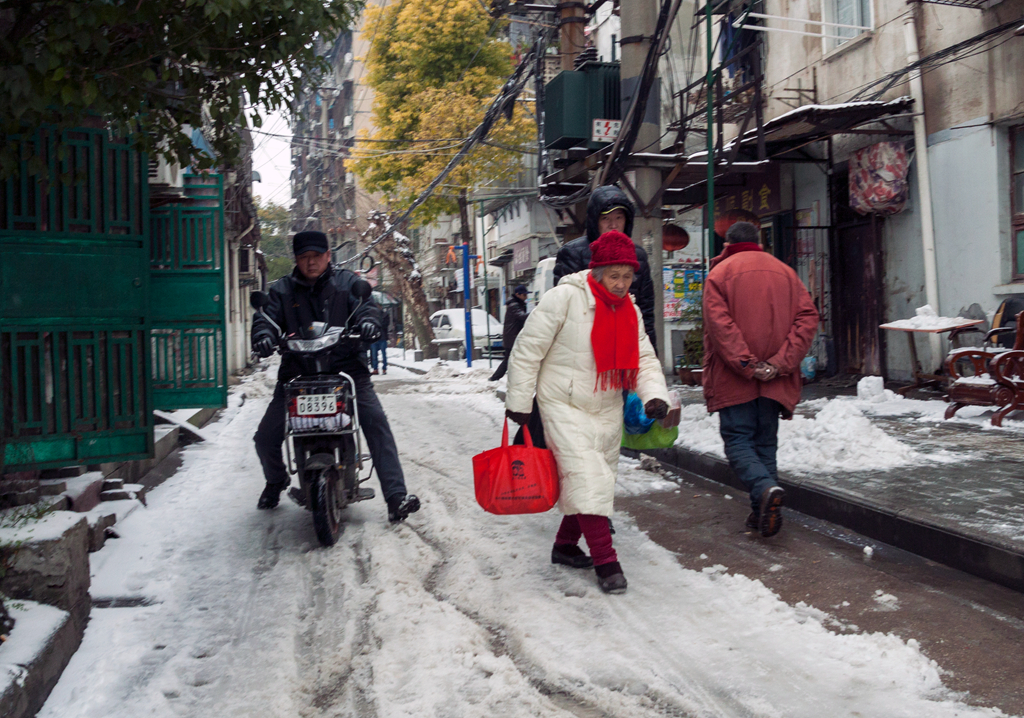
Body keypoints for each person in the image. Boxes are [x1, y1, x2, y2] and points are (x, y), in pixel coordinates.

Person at [505, 230, 670, 594]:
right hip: (562, 403)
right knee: (587, 476)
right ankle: (607, 562)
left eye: (628, 277)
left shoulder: (632, 312)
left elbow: (644, 359)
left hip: (605, 405)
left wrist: (654, 396)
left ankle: (565, 547)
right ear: (597, 271)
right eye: (615, 275)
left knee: (595, 481)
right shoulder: (563, 298)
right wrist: (519, 402)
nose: (621, 284)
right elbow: (527, 350)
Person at [251, 230, 420, 523]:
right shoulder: (282, 291)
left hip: (347, 372)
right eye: (304, 257)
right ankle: (276, 480)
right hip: (297, 376)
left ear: (328, 256)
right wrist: (264, 336)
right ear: (296, 260)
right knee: (265, 438)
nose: (311, 262)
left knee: (376, 424)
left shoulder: (348, 284)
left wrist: (368, 323)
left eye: (316, 256)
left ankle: (396, 497)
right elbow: (265, 318)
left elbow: (368, 309)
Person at [702, 221, 818, 538]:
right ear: (760, 242)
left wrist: (747, 364)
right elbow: (808, 318)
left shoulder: (719, 275)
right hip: (774, 380)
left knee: (739, 441)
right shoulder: (786, 273)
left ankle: (765, 489)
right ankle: (762, 512)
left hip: (734, 377)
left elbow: (720, 326)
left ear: (727, 244)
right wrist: (780, 363)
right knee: (765, 444)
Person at [553, 185, 657, 350]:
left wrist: (652, 357)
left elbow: (646, 313)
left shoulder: (639, 256)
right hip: (584, 345)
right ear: (595, 221)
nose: (613, 225)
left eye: (619, 218)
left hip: (626, 343)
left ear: (627, 221)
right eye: (606, 219)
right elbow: (560, 310)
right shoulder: (572, 253)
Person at [488, 285, 529, 381]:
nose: (526, 297)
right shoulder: (514, 305)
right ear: (518, 294)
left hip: (513, 336)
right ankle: (495, 378)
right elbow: (522, 316)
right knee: (509, 360)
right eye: (524, 295)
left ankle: (498, 377)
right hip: (512, 337)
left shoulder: (518, 304)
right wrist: (536, 312)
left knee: (512, 359)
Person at [370, 311, 390, 375]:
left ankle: (383, 368)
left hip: (381, 337)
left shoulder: (385, 315)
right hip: (375, 337)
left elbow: (385, 324)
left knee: (382, 354)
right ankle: (376, 369)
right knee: (374, 354)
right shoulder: (372, 316)